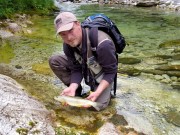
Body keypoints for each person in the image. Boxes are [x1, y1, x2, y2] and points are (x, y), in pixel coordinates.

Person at [49, 12, 117, 111]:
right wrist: (73, 86)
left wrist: (97, 92)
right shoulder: (67, 45)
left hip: (102, 74)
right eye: (63, 34)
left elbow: (111, 72)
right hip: (86, 66)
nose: (69, 38)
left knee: (95, 107)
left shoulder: (103, 44)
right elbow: (75, 68)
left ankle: (102, 90)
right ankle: (75, 91)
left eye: (71, 30)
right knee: (55, 60)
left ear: (78, 24)